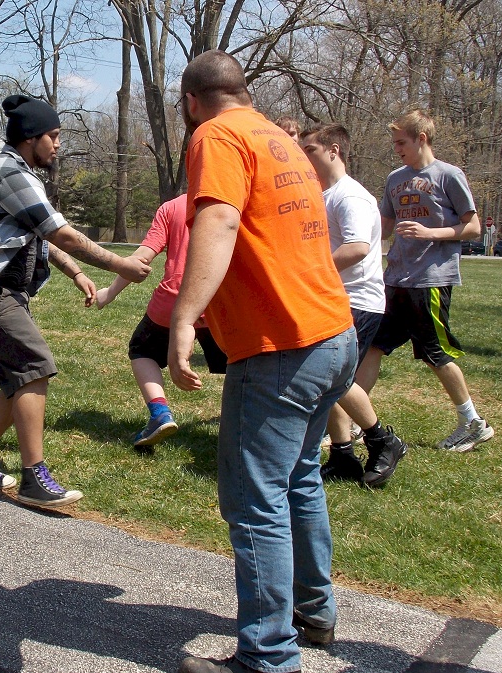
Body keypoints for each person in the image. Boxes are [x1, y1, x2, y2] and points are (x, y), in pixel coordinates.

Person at [167, 51, 356, 673]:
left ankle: (267, 656)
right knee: (298, 478)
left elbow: (217, 220)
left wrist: (186, 317)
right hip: (333, 331)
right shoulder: (276, 135)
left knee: (255, 500)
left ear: (191, 102)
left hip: (283, 346)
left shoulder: (215, 135)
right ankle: (313, 612)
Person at [0, 93, 151, 508]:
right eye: (53, 136)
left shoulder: (21, 174)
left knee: (19, 374)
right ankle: (33, 478)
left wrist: (77, 273)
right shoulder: (10, 172)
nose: (57, 145)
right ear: (30, 136)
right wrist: (120, 266)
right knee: (33, 365)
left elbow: (38, 235)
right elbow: (62, 234)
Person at [358, 110, 494, 453]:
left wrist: (429, 233)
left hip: (430, 280)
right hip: (397, 278)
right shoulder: (395, 178)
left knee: (435, 352)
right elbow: (383, 226)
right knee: (374, 345)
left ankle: (472, 423)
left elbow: (473, 227)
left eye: (401, 142)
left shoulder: (448, 175)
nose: (396, 149)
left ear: (422, 138)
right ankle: (356, 421)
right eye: (394, 143)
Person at [300, 124, 409, 487]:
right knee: (323, 377)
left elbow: (359, 247)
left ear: (334, 150)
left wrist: (309, 274)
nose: (304, 156)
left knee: (335, 376)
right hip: (331, 297)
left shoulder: (351, 196)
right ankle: (343, 455)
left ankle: (383, 441)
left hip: (358, 300)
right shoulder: (323, 194)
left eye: (310, 149)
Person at [95, 194, 227, 449]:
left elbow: (143, 257)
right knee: (240, 363)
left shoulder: (173, 207)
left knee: (142, 350)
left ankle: (160, 414)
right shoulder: (233, 203)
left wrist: (110, 292)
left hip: (174, 302)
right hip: (218, 301)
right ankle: (243, 423)